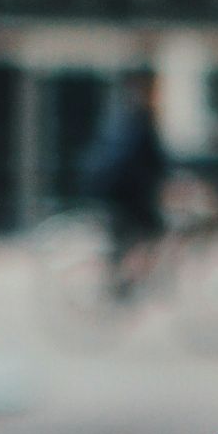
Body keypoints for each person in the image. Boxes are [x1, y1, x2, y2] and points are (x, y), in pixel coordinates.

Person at [82, 71, 168, 299]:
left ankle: (123, 280)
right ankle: (126, 282)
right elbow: (153, 159)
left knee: (127, 238)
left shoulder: (126, 116)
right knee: (154, 230)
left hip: (118, 191)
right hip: (126, 193)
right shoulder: (141, 119)